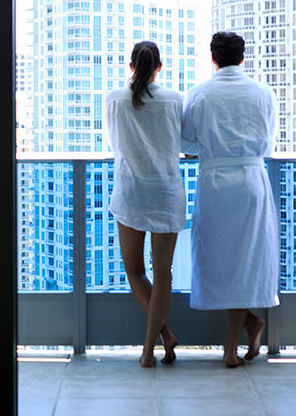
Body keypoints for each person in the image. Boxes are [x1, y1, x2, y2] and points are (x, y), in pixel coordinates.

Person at [181, 32, 280, 367]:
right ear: (242, 58)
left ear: (213, 58)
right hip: (252, 181)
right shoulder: (262, 92)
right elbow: (267, 144)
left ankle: (231, 344)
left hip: (214, 182)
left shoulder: (201, 93)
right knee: (246, 260)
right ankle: (247, 325)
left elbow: (189, 144)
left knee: (217, 259)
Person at [106, 41, 186, 367]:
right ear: (160, 67)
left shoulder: (114, 99)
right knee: (163, 273)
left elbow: (113, 141)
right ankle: (153, 345)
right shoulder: (175, 100)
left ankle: (160, 342)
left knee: (135, 271)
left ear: (130, 66)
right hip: (167, 192)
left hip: (131, 192)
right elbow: (184, 141)